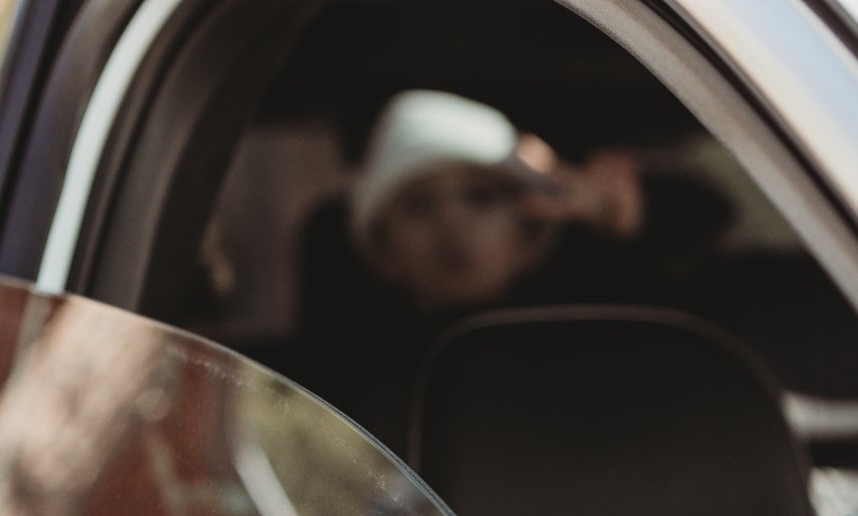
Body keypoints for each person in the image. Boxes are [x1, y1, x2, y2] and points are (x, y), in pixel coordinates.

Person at [293, 89, 730, 441]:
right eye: (419, 206)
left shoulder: (592, 336)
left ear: (531, 240)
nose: (452, 222)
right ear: (384, 255)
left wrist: (609, 209)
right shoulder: (362, 383)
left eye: (480, 197)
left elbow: (711, 221)